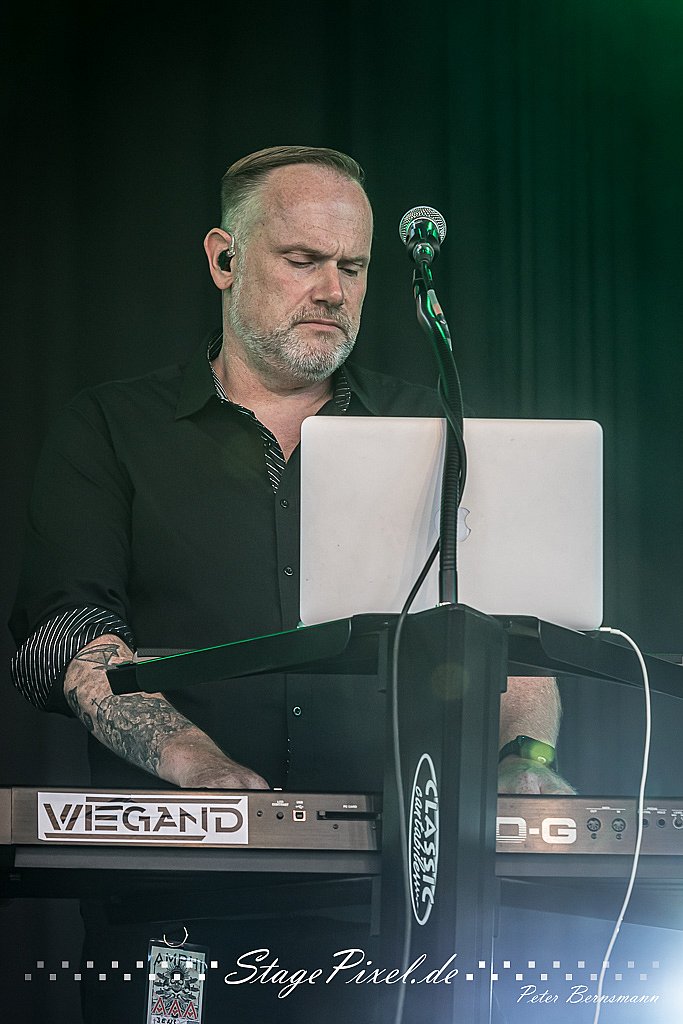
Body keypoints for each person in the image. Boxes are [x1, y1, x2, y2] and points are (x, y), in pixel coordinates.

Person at [9, 145, 573, 1021]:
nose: (332, 290)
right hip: (173, 905)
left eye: (352, 266)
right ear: (223, 259)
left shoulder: (434, 427)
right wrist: (196, 764)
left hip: (395, 911)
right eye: (302, 259)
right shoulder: (111, 427)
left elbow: (512, 641)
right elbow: (65, 634)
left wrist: (522, 762)